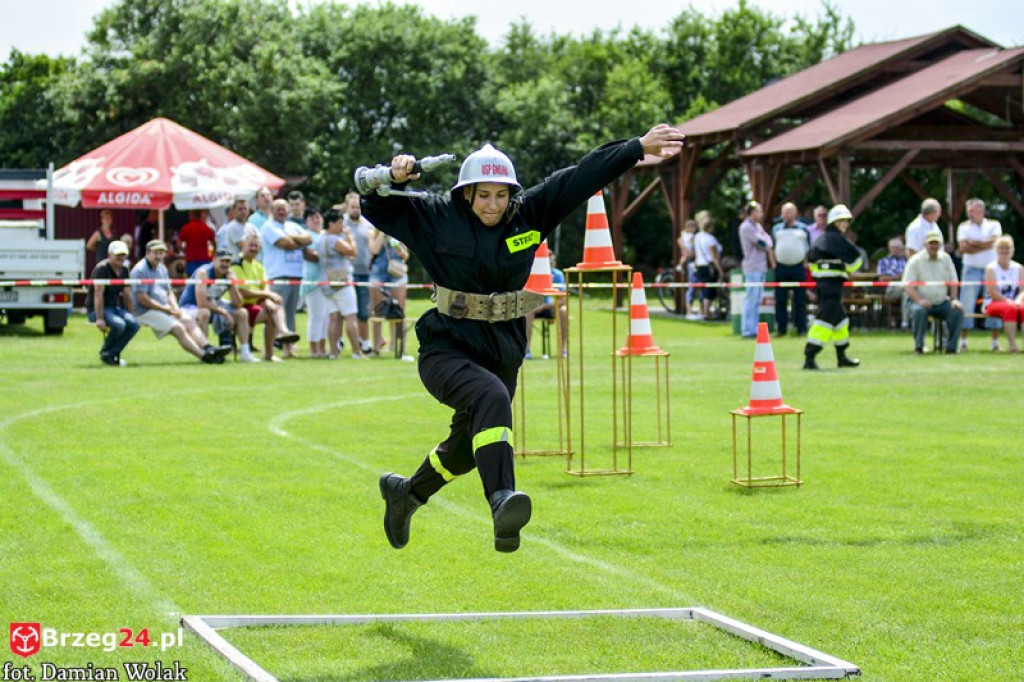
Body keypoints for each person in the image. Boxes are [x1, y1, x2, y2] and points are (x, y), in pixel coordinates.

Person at [367, 123, 684, 553]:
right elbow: (373, 205)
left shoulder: (530, 212)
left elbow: (583, 175)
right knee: (491, 398)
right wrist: (393, 176)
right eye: (483, 195)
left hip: (504, 348)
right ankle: (501, 500)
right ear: (466, 193)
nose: (493, 204)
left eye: (501, 194)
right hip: (446, 346)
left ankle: (408, 494)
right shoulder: (434, 215)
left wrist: (637, 148)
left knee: (463, 451)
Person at [130, 240, 231, 364]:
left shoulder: (161, 268)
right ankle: (205, 356)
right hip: (145, 311)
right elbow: (142, 299)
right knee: (178, 328)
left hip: (164, 308)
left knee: (188, 320)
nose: (159, 256)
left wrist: (174, 307)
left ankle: (208, 347)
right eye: (156, 253)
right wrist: (166, 309)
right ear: (148, 253)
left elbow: (169, 292)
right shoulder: (140, 270)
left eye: (161, 253)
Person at [803, 204, 863, 370]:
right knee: (824, 321)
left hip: (823, 285)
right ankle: (810, 356)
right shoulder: (839, 240)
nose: (846, 224)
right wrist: (844, 268)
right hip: (833, 286)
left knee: (841, 322)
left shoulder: (820, 240)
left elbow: (811, 264)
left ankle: (841, 356)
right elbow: (856, 262)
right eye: (843, 221)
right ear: (835, 222)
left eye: (846, 221)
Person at [178, 249, 259, 362]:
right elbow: (201, 302)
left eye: (227, 261)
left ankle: (245, 353)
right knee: (204, 312)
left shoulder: (229, 275)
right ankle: (205, 353)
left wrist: (233, 287)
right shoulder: (204, 272)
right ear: (214, 260)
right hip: (190, 307)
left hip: (213, 305)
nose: (225, 264)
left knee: (242, 312)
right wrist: (224, 313)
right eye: (222, 261)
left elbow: (238, 304)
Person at [231, 235, 301, 362]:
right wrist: (267, 296)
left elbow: (266, 287)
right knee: (272, 311)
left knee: (274, 307)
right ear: (243, 246)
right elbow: (242, 291)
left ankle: (273, 348)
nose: (253, 248)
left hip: (254, 305)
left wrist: (268, 300)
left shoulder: (259, 266)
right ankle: (282, 332)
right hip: (239, 306)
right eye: (250, 245)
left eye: (256, 246)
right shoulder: (236, 264)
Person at [260, 198, 311, 358]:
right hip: (278, 275)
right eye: (278, 209)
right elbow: (285, 243)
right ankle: (270, 349)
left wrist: (292, 239)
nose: (281, 211)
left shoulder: (293, 226)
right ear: (271, 211)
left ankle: (289, 349)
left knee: (290, 314)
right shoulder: (268, 226)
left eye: (284, 208)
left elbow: (308, 239)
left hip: (295, 274)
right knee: (275, 313)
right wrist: (297, 241)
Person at [902, 229, 963, 354]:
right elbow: (908, 285)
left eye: (936, 243)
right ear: (925, 245)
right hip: (919, 301)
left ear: (940, 245)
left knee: (958, 311)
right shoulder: (915, 260)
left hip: (941, 302)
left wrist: (954, 299)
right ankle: (919, 346)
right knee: (918, 311)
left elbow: (953, 281)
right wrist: (919, 300)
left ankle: (951, 347)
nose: (933, 246)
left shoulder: (946, 259)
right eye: (931, 243)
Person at [956, 198, 1002, 352]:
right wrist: (986, 244)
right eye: (967, 211)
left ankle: (995, 342)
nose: (969, 214)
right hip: (970, 269)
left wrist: (974, 243)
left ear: (980, 212)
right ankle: (963, 341)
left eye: (971, 211)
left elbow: (995, 242)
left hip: (991, 270)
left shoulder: (994, 224)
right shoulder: (963, 227)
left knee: (994, 302)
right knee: (966, 303)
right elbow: (963, 248)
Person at [86, 240, 139, 367]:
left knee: (134, 324)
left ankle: (111, 353)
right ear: (109, 254)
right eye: (117, 255)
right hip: (97, 309)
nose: (121, 258)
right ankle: (107, 352)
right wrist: (99, 318)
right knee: (119, 324)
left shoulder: (125, 270)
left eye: (123, 255)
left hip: (114, 308)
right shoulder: (101, 269)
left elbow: (127, 295)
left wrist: (132, 314)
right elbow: (98, 295)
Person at [319, 209, 363, 359]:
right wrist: (350, 237)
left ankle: (333, 352)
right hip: (342, 283)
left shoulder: (321, 238)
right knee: (350, 318)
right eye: (339, 223)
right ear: (330, 224)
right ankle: (357, 352)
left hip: (327, 283)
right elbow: (352, 251)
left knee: (333, 318)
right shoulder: (334, 239)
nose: (342, 226)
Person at [368, 227, 411, 357]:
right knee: (377, 310)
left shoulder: (400, 231)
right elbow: (374, 250)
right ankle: (376, 348)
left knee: (399, 311)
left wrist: (398, 248)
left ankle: (399, 347)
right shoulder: (373, 233)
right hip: (378, 273)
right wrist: (382, 231)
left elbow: (405, 255)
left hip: (397, 273)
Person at [771, 202, 811, 336]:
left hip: (798, 267)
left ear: (795, 213)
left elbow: (808, 248)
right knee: (780, 299)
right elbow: (772, 247)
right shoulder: (776, 229)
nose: (785, 215)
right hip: (781, 267)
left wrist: (805, 262)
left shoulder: (803, 229)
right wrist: (773, 263)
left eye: (788, 212)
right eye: (784, 212)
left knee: (800, 299)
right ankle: (781, 329)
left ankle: (801, 328)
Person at [344, 191, 376, 355]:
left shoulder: (368, 224)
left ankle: (365, 343)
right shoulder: (341, 224)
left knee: (364, 312)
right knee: (347, 311)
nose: (356, 209)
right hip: (347, 274)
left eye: (358, 207)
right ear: (347, 207)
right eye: (353, 207)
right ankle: (343, 342)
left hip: (364, 273)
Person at [982, 235, 1024, 353]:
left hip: (1016, 302)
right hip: (994, 303)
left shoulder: (1019, 268)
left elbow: (1022, 290)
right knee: (1010, 308)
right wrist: (1010, 302)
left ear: (1012, 250)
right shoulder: (991, 268)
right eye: (1001, 248)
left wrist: (1018, 300)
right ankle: (1013, 345)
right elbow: (993, 292)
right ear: (996, 250)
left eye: (1007, 248)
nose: (1004, 251)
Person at [738, 201, 773, 338]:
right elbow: (763, 243)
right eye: (759, 211)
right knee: (751, 299)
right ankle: (748, 330)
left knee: (757, 299)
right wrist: (767, 242)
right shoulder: (746, 227)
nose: (762, 214)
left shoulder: (757, 226)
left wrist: (767, 242)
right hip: (752, 268)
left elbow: (769, 241)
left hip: (761, 267)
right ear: (752, 213)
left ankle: (753, 328)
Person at [524, 251, 567, 358]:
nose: (551, 264)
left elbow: (563, 300)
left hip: (549, 306)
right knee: (527, 314)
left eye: (553, 262)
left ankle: (562, 350)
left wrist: (544, 306)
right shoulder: (532, 274)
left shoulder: (558, 275)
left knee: (563, 311)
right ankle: (527, 350)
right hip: (533, 307)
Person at [300, 206, 329, 357]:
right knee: (316, 316)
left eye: (318, 217)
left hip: (326, 280)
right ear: (306, 222)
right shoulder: (306, 236)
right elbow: (309, 254)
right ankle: (314, 349)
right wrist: (327, 256)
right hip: (312, 280)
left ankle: (323, 348)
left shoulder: (325, 234)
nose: (316, 220)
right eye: (312, 218)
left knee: (326, 317)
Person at [691, 210, 723, 321]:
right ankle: (706, 312)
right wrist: (720, 270)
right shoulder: (710, 239)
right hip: (708, 266)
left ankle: (703, 310)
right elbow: (714, 257)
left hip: (699, 265)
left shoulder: (697, 237)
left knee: (703, 289)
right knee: (710, 290)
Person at [876, 237, 908, 328]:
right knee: (907, 289)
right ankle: (906, 323)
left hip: (904, 287)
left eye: (897, 247)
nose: (895, 250)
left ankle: (905, 323)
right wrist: (898, 277)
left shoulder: (906, 261)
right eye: (893, 247)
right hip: (890, 289)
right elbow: (882, 279)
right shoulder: (883, 261)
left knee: (906, 294)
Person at [177, 210, 217, 276]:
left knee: (191, 282)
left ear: (191, 216)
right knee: (204, 282)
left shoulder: (186, 228)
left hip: (191, 260)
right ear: (200, 216)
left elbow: (178, 244)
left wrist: (185, 250)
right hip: (205, 260)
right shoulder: (207, 228)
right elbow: (214, 244)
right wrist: (211, 254)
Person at [678, 219, 698, 316]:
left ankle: (689, 309)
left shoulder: (688, 235)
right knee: (692, 284)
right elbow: (682, 243)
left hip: (690, 257)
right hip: (690, 258)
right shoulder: (690, 236)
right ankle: (689, 310)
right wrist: (689, 252)